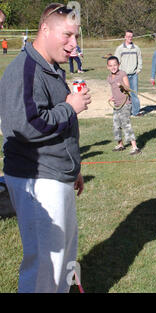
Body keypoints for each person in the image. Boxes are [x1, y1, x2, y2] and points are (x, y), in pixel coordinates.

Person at [0, 3, 91, 293]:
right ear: (45, 29)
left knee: (64, 260)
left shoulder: (50, 67)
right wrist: (70, 108)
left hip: (55, 175)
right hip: (36, 178)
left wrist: (72, 168)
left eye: (76, 37)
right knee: (44, 267)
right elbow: (24, 125)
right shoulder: (26, 69)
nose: (73, 44)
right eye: (67, 35)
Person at [106, 56, 141, 155]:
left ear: (119, 65)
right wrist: (112, 97)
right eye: (111, 65)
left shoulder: (122, 74)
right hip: (116, 105)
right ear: (107, 67)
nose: (113, 67)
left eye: (115, 65)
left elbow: (128, 88)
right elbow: (114, 90)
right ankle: (120, 144)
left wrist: (122, 86)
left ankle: (135, 147)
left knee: (126, 124)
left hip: (125, 104)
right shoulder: (109, 78)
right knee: (116, 125)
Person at [114, 30, 143, 116]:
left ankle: (136, 112)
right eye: (128, 36)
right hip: (123, 75)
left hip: (134, 74)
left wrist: (138, 70)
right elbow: (116, 61)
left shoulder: (136, 48)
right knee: (123, 94)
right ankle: (123, 111)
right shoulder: (120, 48)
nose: (129, 38)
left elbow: (140, 59)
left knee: (134, 93)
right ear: (125, 37)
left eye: (131, 36)